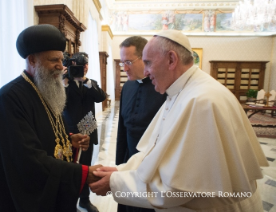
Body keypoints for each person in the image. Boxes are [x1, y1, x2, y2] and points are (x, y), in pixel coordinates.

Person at [89, 29, 269, 211]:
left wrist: (116, 183)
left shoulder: (202, 101)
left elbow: (179, 189)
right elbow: (157, 152)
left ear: (171, 59)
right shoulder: (181, 91)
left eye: (149, 63)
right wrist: (122, 171)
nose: (146, 71)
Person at [0, 24, 101, 212]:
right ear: (32, 60)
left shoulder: (46, 89)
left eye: (61, 60)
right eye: (53, 60)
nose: (60, 66)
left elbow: (46, 130)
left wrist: (69, 138)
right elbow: (27, 160)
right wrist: (83, 174)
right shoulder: (10, 98)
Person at [116, 36, 167, 212]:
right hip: (128, 162)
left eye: (129, 61)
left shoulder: (162, 88)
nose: (125, 68)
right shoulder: (127, 87)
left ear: (144, 58)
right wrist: (118, 167)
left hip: (153, 171)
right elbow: (122, 131)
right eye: (122, 62)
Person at [62, 52, 106, 212]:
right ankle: (68, 202)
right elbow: (60, 103)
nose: (84, 68)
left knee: (85, 166)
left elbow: (101, 97)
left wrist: (85, 81)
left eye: (86, 64)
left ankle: (84, 201)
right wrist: (65, 82)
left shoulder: (90, 82)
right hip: (69, 130)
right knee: (68, 168)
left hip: (87, 128)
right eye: (81, 65)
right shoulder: (63, 82)